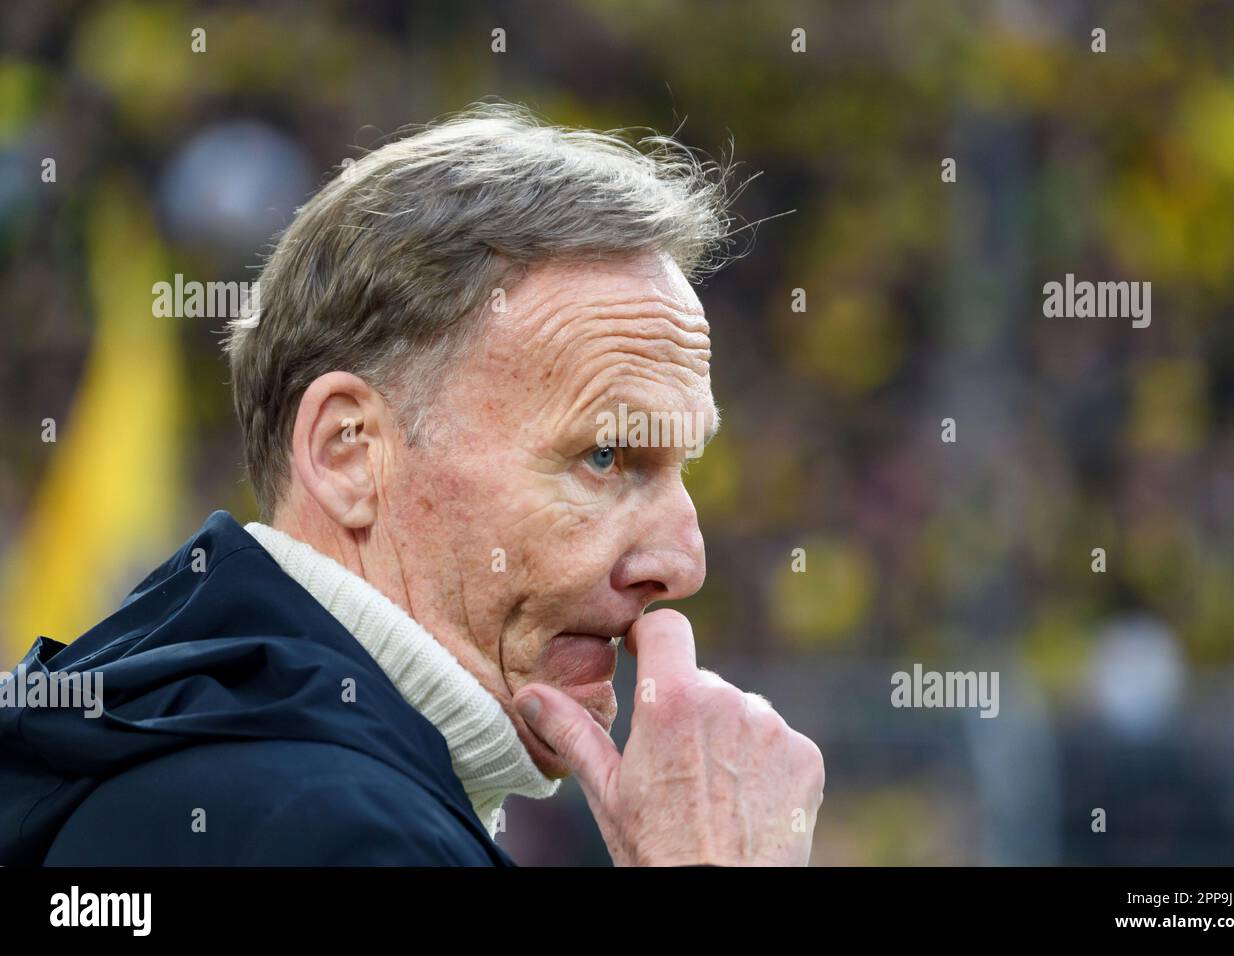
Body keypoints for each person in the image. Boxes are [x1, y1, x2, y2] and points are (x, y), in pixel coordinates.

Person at [0, 103, 824, 866]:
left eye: (685, 469)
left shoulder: (182, 754)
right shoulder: (338, 835)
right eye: (605, 457)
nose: (682, 562)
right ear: (349, 454)